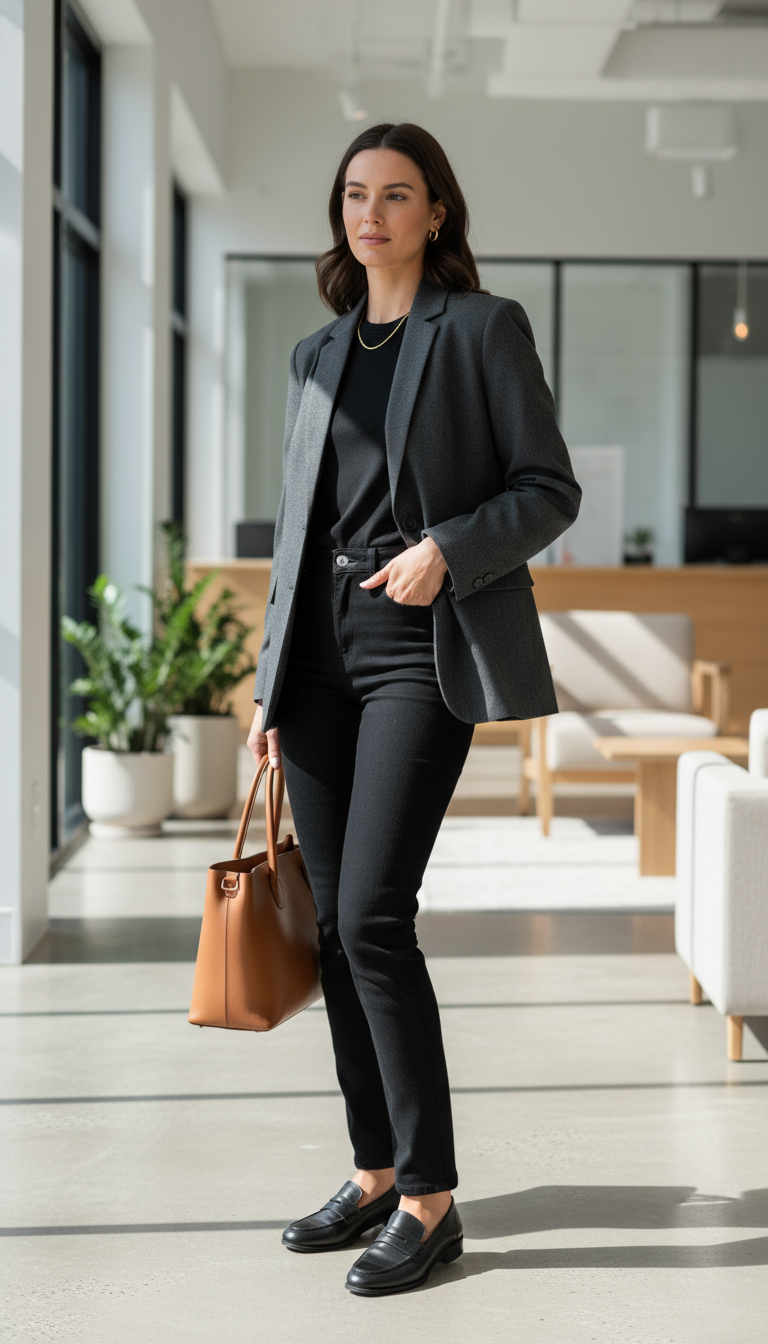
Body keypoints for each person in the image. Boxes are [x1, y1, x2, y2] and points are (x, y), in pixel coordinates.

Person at [247, 121, 580, 1297]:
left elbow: (548, 489)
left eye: (397, 195)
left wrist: (448, 547)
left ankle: (433, 1199)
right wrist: (270, 683)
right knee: (336, 928)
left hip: (418, 650)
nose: (371, 213)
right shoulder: (314, 354)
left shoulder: (483, 329)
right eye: (354, 193)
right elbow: (296, 534)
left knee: (378, 916)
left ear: (436, 212)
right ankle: (376, 1168)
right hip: (322, 660)